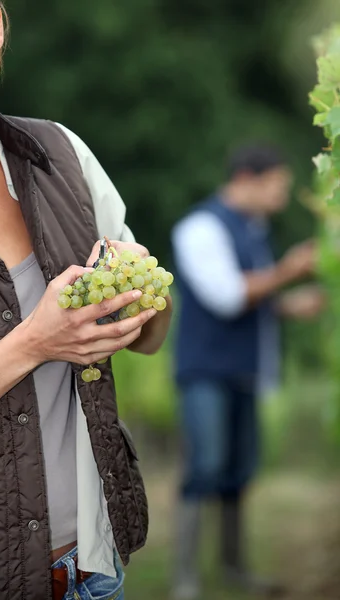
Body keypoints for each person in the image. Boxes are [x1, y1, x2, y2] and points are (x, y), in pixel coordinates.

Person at [0, 2, 173, 599]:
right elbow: (40, 342)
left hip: (91, 570)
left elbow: (150, 338)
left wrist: (140, 303)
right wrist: (34, 343)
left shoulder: (59, 155)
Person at [170, 144, 323, 600]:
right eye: (278, 184)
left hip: (243, 370)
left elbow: (253, 298)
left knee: (238, 470)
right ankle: (185, 578)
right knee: (206, 466)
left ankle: (233, 568)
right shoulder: (200, 227)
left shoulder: (254, 229)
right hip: (205, 372)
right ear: (248, 180)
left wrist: (286, 307)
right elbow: (227, 296)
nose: (283, 195)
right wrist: (290, 270)